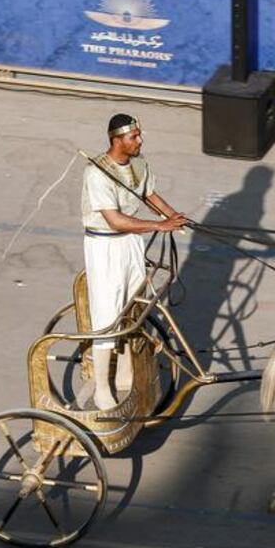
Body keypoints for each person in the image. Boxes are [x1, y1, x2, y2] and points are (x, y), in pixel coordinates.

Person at [82, 114, 187, 410]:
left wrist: (174, 216)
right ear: (117, 140)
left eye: (139, 135)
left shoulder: (139, 164)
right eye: (133, 137)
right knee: (108, 314)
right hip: (105, 247)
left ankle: (126, 373)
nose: (140, 141)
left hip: (130, 243)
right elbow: (114, 220)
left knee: (133, 308)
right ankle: (102, 387)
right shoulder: (97, 173)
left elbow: (149, 195)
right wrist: (159, 226)